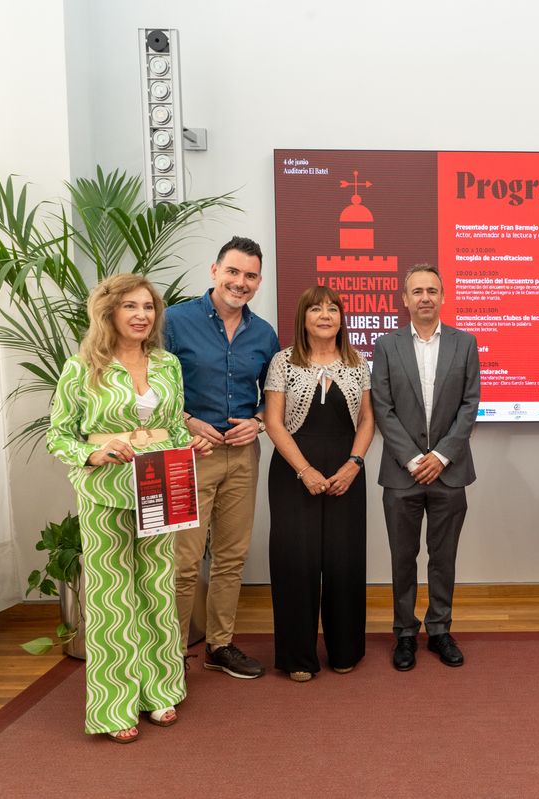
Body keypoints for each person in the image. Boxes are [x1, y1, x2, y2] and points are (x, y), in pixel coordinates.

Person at [47, 274, 212, 743]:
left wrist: (190, 446)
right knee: (113, 602)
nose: (142, 315)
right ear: (109, 312)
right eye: (131, 307)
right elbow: (58, 434)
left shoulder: (167, 365)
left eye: (148, 307)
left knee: (157, 591)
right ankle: (114, 707)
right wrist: (94, 454)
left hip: (162, 486)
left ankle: (159, 692)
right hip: (104, 492)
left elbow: (174, 430)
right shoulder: (80, 368)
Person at [165, 236, 279, 679]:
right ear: (215, 271)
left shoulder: (263, 333)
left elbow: (274, 398)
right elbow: (151, 388)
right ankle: (168, 655)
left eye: (250, 276)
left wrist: (260, 422)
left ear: (259, 281)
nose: (240, 282)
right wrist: (189, 421)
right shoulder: (175, 321)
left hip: (242, 456)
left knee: (232, 557)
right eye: (233, 272)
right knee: (183, 562)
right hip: (190, 453)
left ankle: (220, 645)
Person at [371, 264, 480, 671]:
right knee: (403, 556)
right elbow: (382, 407)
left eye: (432, 290)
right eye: (417, 291)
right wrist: (416, 459)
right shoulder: (386, 346)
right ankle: (404, 633)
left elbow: (470, 405)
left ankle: (439, 629)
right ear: (404, 298)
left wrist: (441, 456)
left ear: (443, 296)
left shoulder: (465, 343)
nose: (425, 298)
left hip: (450, 472)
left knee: (443, 556)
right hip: (402, 474)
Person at [264, 285, 374, 681]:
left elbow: (366, 420)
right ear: (303, 318)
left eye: (333, 308)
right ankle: (298, 657)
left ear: (342, 318)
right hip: (294, 472)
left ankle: (345, 650)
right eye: (316, 309)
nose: (325, 315)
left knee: (344, 560)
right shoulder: (283, 362)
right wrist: (304, 470)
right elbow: (274, 423)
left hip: (347, 470)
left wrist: (354, 464)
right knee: (297, 562)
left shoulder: (358, 362)